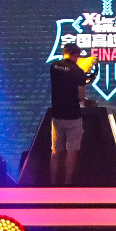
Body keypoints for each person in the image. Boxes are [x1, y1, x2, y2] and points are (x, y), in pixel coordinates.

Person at [47, 41, 92, 186]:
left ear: (64, 53)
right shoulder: (78, 71)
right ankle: (67, 182)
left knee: (55, 151)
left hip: (57, 116)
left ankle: (53, 182)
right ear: (76, 55)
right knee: (71, 151)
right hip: (73, 116)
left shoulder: (54, 66)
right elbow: (81, 97)